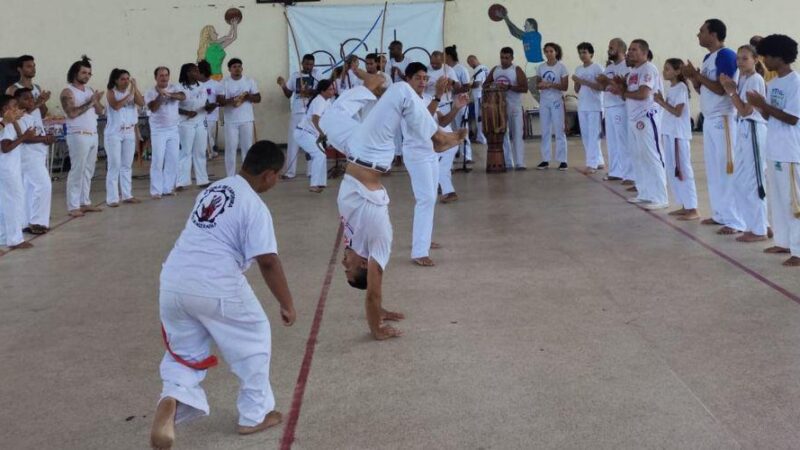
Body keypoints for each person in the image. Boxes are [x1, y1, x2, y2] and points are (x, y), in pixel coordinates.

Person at [149, 140, 297, 449]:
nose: (276, 182)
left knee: (186, 352)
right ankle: (254, 415)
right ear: (269, 175)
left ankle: (171, 399)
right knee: (255, 335)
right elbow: (268, 261)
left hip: (174, 279)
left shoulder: (214, 188)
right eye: (278, 176)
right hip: (215, 281)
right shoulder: (254, 206)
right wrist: (287, 303)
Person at [321, 71, 466, 339]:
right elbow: (374, 289)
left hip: (356, 149)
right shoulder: (377, 240)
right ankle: (438, 138)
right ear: (364, 265)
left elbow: (374, 294)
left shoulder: (354, 244)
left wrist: (381, 309)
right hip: (371, 153)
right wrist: (376, 327)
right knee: (400, 90)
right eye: (349, 269)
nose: (343, 264)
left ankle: (369, 88)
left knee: (326, 120)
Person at [683, 19, 745, 235]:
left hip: (724, 119)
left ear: (714, 34)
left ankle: (736, 220)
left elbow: (721, 90)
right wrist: (693, 78)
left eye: (701, 31)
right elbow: (706, 91)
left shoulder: (726, 55)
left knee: (728, 169)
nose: (698, 34)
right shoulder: (708, 57)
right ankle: (720, 213)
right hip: (710, 119)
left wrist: (698, 76)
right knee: (714, 169)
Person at [404, 63, 467, 265]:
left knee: (429, 199)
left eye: (425, 78)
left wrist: (457, 107)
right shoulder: (407, 100)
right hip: (416, 154)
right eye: (418, 78)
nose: (422, 82)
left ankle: (424, 240)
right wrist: (439, 96)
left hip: (429, 152)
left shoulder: (425, 99)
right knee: (426, 199)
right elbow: (423, 120)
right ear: (408, 80)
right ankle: (419, 252)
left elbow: (441, 121)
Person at [746, 34, 800, 266]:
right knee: (777, 199)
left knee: (793, 202)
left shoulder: (796, 83)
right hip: (774, 147)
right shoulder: (773, 83)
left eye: (766, 56)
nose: (764, 60)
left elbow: (791, 118)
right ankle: (783, 241)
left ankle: (798, 251)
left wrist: (763, 104)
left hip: (790, 151)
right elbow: (769, 115)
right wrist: (761, 107)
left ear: (779, 56)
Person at [609, 39, 668, 210]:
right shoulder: (633, 71)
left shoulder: (648, 69)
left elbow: (643, 94)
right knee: (638, 156)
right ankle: (645, 193)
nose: (629, 53)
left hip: (647, 117)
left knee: (652, 155)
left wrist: (623, 91)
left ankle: (660, 196)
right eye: (629, 50)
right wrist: (621, 88)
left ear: (644, 52)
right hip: (633, 118)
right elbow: (626, 95)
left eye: (634, 50)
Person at [720, 45, 769, 242]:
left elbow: (746, 110)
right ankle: (761, 223)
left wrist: (731, 92)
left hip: (754, 128)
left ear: (755, 59)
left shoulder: (756, 79)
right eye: (738, 59)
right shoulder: (743, 79)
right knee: (741, 179)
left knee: (753, 181)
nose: (740, 62)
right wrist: (732, 89)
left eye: (745, 58)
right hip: (743, 129)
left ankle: (759, 230)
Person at [60, 56, 104, 217]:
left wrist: (96, 101)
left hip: (92, 133)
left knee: (88, 170)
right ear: (75, 73)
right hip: (78, 135)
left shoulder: (90, 91)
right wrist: (91, 103)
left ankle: (85, 201)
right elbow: (71, 113)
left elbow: (100, 111)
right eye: (84, 72)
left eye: (89, 73)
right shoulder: (68, 91)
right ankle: (73, 205)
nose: (87, 76)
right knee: (77, 170)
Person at [655, 59, 699, 220]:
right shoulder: (672, 88)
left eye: (667, 69)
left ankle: (692, 208)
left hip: (678, 136)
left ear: (677, 71)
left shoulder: (681, 88)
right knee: (673, 170)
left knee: (683, 171)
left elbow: (678, 112)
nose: (664, 72)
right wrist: (662, 101)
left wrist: (660, 102)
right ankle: (684, 205)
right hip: (669, 133)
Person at [13, 88, 55, 234]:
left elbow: (37, 130)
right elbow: (26, 138)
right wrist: (45, 138)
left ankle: (26, 221)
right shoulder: (17, 118)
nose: (30, 101)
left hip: (38, 154)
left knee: (30, 189)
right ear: (16, 101)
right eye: (26, 99)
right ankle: (38, 222)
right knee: (44, 185)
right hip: (29, 157)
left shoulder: (30, 115)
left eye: (32, 98)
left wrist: (46, 137)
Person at [0, 95, 37, 249]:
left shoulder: (8, 123)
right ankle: (15, 239)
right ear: (5, 109)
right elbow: (5, 147)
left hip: (8, 167)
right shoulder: (4, 124)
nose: (17, 109)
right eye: (14, 106)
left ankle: (4, 237)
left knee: (5, 203)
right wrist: (24, 137)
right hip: (8, 168)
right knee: (15, 202)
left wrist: (16, 122)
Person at [484, 47, 529, 170]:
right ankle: (508, 162)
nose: (503, 60)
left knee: (517, 135)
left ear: (512, 58)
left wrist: (508, 87)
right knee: (502, 135)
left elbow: (524, 88)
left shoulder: (516, 70)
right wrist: (494, 85)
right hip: (498, 108)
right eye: (502, 57)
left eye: (506, 58)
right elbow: (485, 85)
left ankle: (520, 162)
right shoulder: (495, 70)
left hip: (514, 107)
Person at [145, 66, 186, 199]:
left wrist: (168, 94)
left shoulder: (174, 87)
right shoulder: (150, 91)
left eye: (166, 75)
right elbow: (153, 108)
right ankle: (156, 190)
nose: (164, 77)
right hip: (158, 131)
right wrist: (160, 97)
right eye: (161, 75)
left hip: (173, 129)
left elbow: (182, 96)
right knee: (158, 160)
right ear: (156, 77)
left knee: (173, 159)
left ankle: (168, 188)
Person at [105, 68, 144, 207]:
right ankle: (112, 198)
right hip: (114, 133)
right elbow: (116, 105)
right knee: (114, 165)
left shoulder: (131, 91)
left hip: (129, 132)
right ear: (115, 80)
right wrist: (130, 94)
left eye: (128, 79)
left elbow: (141, 102)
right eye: (122, 79)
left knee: (127, 165)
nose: (126, 81)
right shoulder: (111, 92)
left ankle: (127, 195)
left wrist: (135, 88)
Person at [277, 54, 320, 179]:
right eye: (306, 64)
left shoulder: (317, 75)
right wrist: (283, 85)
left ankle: (311, 171)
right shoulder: (296, 75)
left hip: (311, 113)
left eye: (311, 64)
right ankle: (290, 172)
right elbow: (288, 94)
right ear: (302, 63)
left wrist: (309, 92)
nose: (309, 67)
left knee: (312, 141)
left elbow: (320, 90)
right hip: (297, 112)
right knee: (293, 140)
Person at [597, 39, 633, 183]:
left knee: (623, 141)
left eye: (611, 47)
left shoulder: (626, 67)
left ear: (620, 49)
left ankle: (629, 174)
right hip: (609, 107)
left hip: (621, 107)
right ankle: (615, 171)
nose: (608, 50)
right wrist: (602, 82)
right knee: (612, 142)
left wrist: (608, 81)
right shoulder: (609, 68)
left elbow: (627, 88)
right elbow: (602, 87)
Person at [221, 58, 260, 177]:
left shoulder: (249, 81)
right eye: (234, 67)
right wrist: (233, 101)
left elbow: (258, 98)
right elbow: (221, 101)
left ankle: (246, 175)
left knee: (247, 148)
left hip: (246, 120)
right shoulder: (224, 82)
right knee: (231, 149)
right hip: (230, 121)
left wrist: (249, 97)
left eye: (239, 66)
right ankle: (230, 175)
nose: (237, 69)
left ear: (242, 68)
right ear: (229, 69)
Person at [294, 80, 335, 193]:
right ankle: (314, 184)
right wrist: (322, 134)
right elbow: (315, 119)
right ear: (323, 91)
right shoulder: (319, 101)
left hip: (313, 134)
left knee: (322, 155)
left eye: (333, 89)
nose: (333, 91)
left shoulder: (327, 101)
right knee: (319, 155)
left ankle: (321, 183)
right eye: (330, 89)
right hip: (304, 133)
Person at [178, 63, 213, 190]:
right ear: (188, 73)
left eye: (198, 71)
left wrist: (211, 106)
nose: (198, 73)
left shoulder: (203, 86)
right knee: (186, 152)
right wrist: (187, 112)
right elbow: (173, 108)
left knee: (200, 151)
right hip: (185, 122)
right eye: (195, 71)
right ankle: (182, 181)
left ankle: (202, 180)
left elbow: (206, 103)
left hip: (200, 121)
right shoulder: (178, 87)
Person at [533, 43, 569, 170]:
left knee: (559, 129)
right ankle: (545, 159)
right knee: (545, 130)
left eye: (551, 51)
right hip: (544, 101)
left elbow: (564, 87)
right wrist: (541, 85)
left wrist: (550, 85)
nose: (548, 53)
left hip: (556, 101)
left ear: (556, 52)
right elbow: (537, 84)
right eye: (546, 51)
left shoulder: (561, 67)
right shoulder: (541, 67)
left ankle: (562, 160)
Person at [572, 42, 605, 173]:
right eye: (580, 52)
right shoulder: (578, 69)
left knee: (593, 135)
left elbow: (601, 87)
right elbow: (577, 89)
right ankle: (599, 160)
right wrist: (576, 82)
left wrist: (582, 81)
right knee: (586, 135)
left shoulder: (598, 68)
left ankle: (592, 164)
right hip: (582, 106)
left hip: (595, 106)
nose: (582, 55)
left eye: (584, 52)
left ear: (591, 53)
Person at [445, 45, 473, 163]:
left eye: (444, 55)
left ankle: (467, 156)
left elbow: (467, 87)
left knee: (462, 129)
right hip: (450, 103)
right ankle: (455, 152)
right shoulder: (445, 69)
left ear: (449, 56)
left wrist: (453, 90)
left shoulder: (461, 69)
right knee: (453, 130)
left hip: (460, 103)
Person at [5, 55, 50, 120]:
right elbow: (10, 115)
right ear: (19, 69)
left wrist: (42, 102)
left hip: (38, 127)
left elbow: (42, 114)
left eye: (34, 66)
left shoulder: (37, 88)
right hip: (24, 128)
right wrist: (38, 103)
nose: (33, 69)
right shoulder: (12, 89)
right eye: (29, 66)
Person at [197, 60, 222, 159]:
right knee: (201, 137)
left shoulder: (216, 84)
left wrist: (213, 106)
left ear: (203, 72)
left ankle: (212, 153)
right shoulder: (196, 85)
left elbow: (220, 101)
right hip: (198, 116)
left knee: (210, 137)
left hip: (211, 116)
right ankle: (205, 154)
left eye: (198, 71)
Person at [467, 55, 489, 145]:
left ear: (474, 60)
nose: (470, 65)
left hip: (479, 96)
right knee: (483, 118)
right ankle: (483, 137)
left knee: (479, 118)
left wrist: (468, 86)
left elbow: (477, 83)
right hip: (485, 95)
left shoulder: (478, 69)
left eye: (470, 63)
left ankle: (481, 138)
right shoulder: (486, 68)